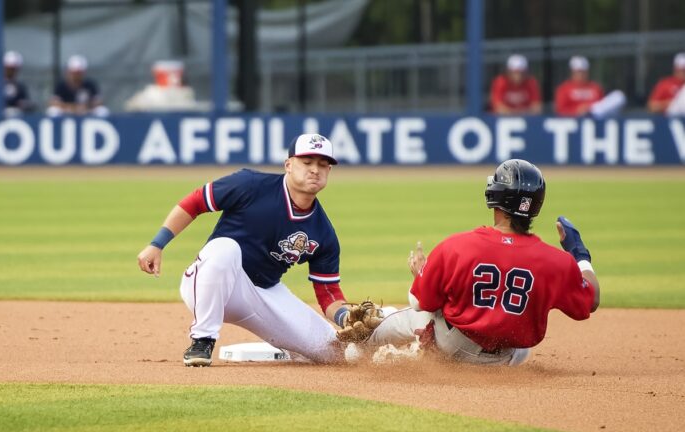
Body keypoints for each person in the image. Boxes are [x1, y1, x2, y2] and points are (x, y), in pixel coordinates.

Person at [136, 134, 368, 367]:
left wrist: (345, 316)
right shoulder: (250, 184)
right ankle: (202, 339)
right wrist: (157, 244)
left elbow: (328, 292)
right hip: (208, 283)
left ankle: (294, 349)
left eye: (322, 165)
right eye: (307, 162)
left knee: (334, 352)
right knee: (225, 248)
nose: (315, 170)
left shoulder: (323, 233)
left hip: (262, 294)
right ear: (288, 165)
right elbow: (195, 202)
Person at [356, 159, 600, 366]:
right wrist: (579, 254)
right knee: (518, 339)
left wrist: (422, 273)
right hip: (507, 357)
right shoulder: (556, 261)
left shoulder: (457, 246)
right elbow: (591, 301)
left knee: (409, 315)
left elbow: (420, 302)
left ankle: (357, 351)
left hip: (454, 347)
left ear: (495, 196)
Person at [2, 50, 32, 116]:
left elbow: (25, 101)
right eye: (9, 68)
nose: (11, 71)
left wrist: (23, 104)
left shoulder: (20, 86)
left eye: (13, 69)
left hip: (17, 116)